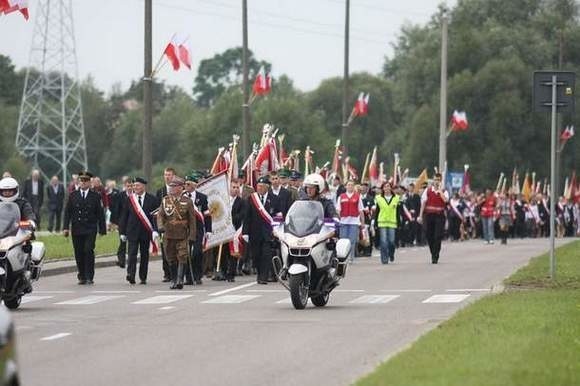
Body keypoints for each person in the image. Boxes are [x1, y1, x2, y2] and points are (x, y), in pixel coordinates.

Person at [62, 171, 107, 285]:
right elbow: (67, 212)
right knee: (78, 252)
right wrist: (65, 227)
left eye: (85, 181)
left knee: (88, 250)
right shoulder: (73, 195)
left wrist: (102, 229)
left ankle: (89, 276)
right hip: (77, 228)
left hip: (90, 228)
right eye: (81, 181)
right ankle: (81, 275)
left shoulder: (95, 196)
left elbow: (100, 214)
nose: (83, 183)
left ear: (89, 182)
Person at [156, 176, 197, 290]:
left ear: (180, 188)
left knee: (182, 256)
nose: (172, 189)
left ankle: (179, 280)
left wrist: (192, 235)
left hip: (182, 234)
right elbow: (160, 215)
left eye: (174, 187)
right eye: (171, 186)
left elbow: (192, 220)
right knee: (171, 257)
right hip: (168, 234)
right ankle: (173, 279)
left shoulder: (187, 202)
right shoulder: (165, 201)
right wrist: (160, 227)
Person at [118, 177, 159, 285]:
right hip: (132, 231)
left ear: (143, 186)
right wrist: (122, 232)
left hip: (146, 232)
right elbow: (124, 216)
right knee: (132, 254)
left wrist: (155, 230)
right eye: (134, 185)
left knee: (144, 255)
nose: (135, 188)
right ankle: (130, 275)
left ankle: (143, 276)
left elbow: (156, 217)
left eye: (137, 185)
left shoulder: (153, 199)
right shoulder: (129, 199)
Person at [242, 176, 282, 284]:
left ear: (267, 187)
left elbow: (278, 216)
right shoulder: (252, 198)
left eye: (261, 186)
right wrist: (245, 232)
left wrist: (277, 230)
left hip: (268, 233)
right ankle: (260, 274)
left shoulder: (275, 198)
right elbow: (247, 216)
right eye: (258, 186)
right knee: (256, 255)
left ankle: (263, 277)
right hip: (254, 232)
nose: (259, 188)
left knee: (266, 255)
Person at [183, 172, 212, 285]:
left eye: (189, 184)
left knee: (197, 253)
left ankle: (197, 275)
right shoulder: (182, 197)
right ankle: (188, 277)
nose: (186, 186)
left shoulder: (202, 198)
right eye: (185, 184)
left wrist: (209, 230)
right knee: (186, 254)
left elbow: (207, 215)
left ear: (194, 185)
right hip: (186, 229)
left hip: (198, 229)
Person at [418, 173, 448, 264]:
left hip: (439, 216)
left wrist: (440, 191)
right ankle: (433, 252)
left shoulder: (444, 191)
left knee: (437, 236)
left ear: (441, 181)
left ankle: (435, 255)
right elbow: (423, 203)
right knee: (429, 235)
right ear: (433, 180)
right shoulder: (427, 190)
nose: (436, 181)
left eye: (438, 180)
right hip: (429, 216)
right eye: (435, 179)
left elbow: (445, 200)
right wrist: (420, 215)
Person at [156, 167, 177, 282]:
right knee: (165, 250)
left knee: (176, 250)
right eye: (165, 175)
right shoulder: (161, 191)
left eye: (169, 175)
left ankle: (176, 272)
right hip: (165, 226)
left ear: (174, 176)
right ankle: (167, 273)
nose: (167, 177)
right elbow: (157, 210)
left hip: (177, 225)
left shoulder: (179, 190)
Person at [224, 179, 247, 282]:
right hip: (224, 230)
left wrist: (230, 218)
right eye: (233, 187)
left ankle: (231, 273)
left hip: (235, 229)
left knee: (233, 253)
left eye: (237, 187)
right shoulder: (224, 200)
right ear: (229, 188)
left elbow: (242, 215)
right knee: (224, 252)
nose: (236, 189)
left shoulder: (242, 202)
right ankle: (222, 271)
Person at [337, 180, 365, 263]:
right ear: (346, 186)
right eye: (348, 185)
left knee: (352, 241)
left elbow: (361, 210)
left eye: (352, 185)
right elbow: (338, 210)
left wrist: (362, 222)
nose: (350, 186)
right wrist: (338, 219)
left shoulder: (357, 197)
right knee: (343, 240)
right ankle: (343, 257)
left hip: (354, 222)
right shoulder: (341, 197)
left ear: (354, 187)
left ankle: (350, 257)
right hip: (343, 221)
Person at [374, 182, 400, 264]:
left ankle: (391, 254)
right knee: (383, 241)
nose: (386, 188)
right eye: (385, 186)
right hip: (382, 222)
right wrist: (375, 223)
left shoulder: (396, 198)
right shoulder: (378, 198)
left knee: (392, 241)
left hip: (392, 222)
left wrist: (399, 223)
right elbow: (377, 211)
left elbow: (398, 212)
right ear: (383, 188)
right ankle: (384, 259)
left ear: (391, 188)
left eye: (388, 186)